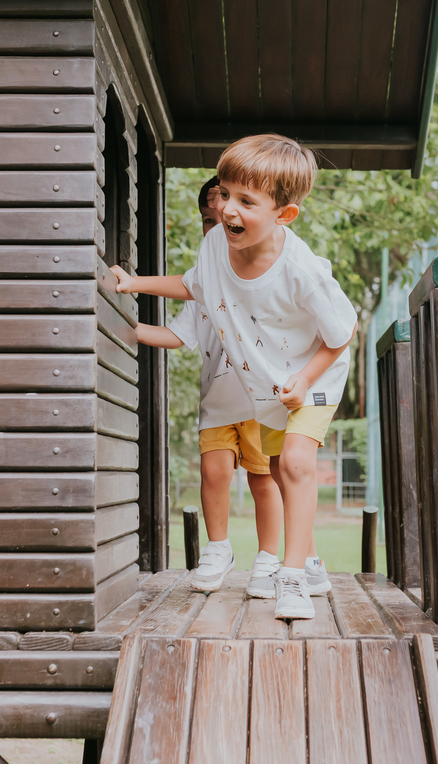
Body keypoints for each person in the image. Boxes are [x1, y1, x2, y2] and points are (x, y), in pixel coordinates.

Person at [112, 134, 358, 620]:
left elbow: (342, 332)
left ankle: (292, 577)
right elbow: (192, 285)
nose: (227, 209)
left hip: (316, 374)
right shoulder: (215, 245)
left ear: (284, 214)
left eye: (246, 201)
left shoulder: (300, 269)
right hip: (269, 384)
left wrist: (305, 379)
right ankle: (311, 566)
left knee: (294, 463)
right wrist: (132, 282)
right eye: (225, 194)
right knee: (279, 472)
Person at [133, 177, 285, 595]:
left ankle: (269, 559)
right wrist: (130, 329)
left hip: (261, 402)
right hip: (217, 402)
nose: (218, 225)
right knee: (213, 473)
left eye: (226, 218)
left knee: (264, 480)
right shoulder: (204, 281)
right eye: (208, 219)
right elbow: (178, 335)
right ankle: (218, 550)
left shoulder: (264, 269)